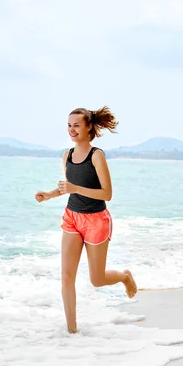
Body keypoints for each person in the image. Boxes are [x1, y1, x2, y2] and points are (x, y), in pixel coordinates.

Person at [35, 106, 137, 334]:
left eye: (76, 125)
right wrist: (50, 194)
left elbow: (106, 194)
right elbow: (68, 188)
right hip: (72, 218)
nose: (72, 130)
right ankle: (72, 332)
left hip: (96, 220)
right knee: (66, 276)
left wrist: (74, 188)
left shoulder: (97, 155)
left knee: (97, 280)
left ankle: (124, 276)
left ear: (89, 127)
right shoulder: (67, 155)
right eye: (69, 125)